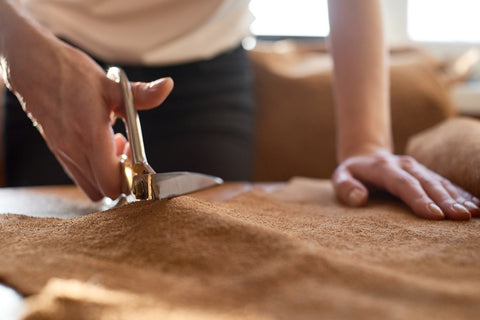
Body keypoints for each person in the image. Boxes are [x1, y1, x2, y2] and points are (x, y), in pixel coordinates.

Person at [0, 0, 478, 220]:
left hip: (206, 72)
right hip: (43, 59)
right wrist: (21, 55)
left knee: (209, 252)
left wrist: (366, 142)